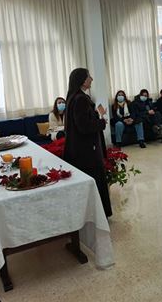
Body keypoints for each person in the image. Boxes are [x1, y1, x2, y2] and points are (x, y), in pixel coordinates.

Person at [64, 68, 112, 217]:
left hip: (79, 149)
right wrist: (101, 123)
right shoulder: (80, 99)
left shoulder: (73, 97)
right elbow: (84, 126)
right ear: (82, 80)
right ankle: (98, 215)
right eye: (89, 76)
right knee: (94, 182)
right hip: (87, 151)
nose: (91, 79)